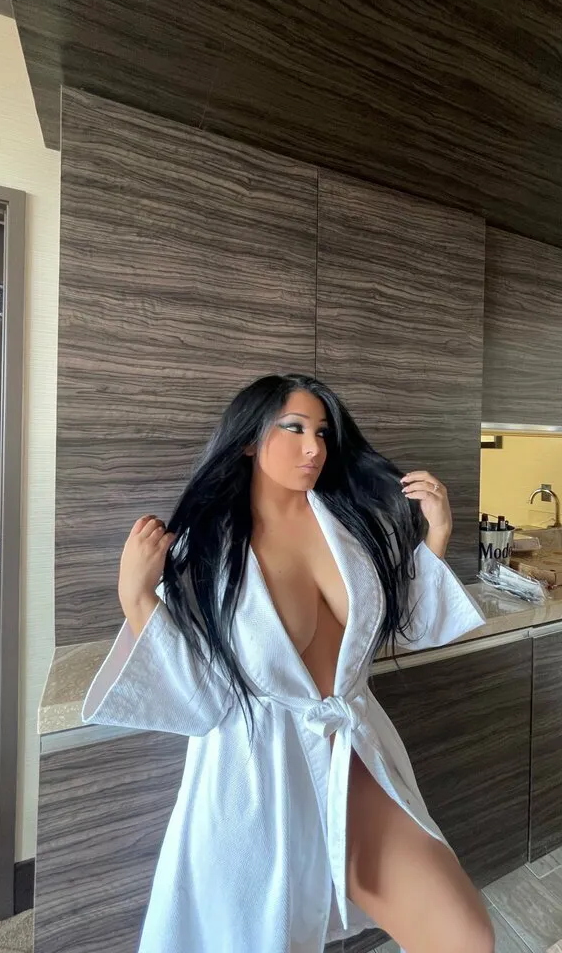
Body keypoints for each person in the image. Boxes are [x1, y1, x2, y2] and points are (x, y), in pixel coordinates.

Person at [81, 373, 494, 953]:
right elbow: (200, 703)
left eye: (322, 432)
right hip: (258, 773)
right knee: (257, 938)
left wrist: (438, 534)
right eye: (295, 428)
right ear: (250, 439)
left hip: (352, 755)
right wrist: (137, 597)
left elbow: (407, 628)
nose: (314, 447)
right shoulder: (206, 549)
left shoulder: (348, 524)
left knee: (466, 937)